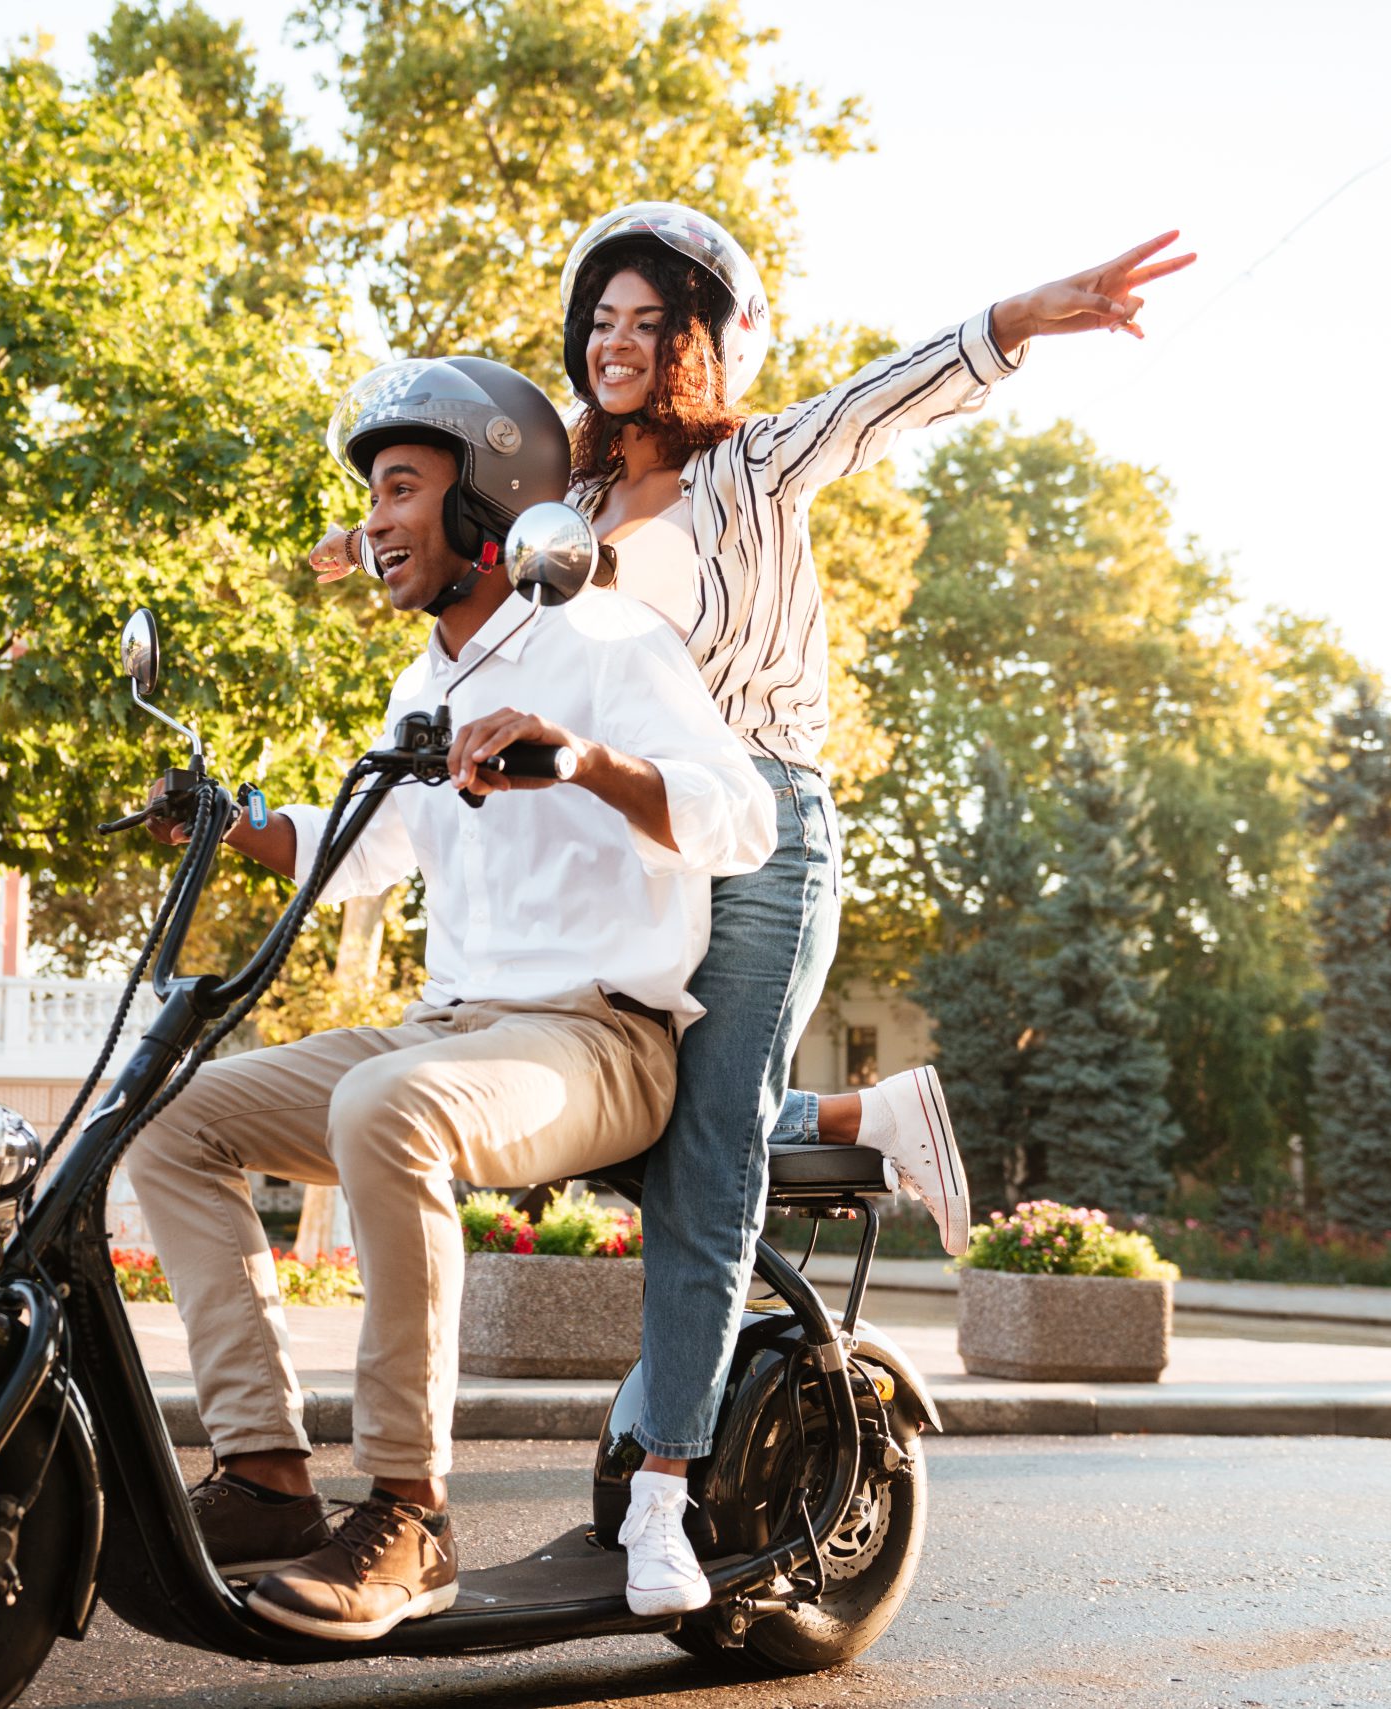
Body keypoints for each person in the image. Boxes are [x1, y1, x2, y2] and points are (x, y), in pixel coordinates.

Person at [316, 206, 1195, 1618]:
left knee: (710, 1140)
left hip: (761, 826)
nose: (615, 344)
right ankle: (856, 1121)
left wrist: (1023, 318)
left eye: (646, 320)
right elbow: (491, 591)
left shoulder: (757, 461)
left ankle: (667, 1484)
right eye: (596, 321)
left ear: (701, 337)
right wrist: (375, 543)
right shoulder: (571, 511)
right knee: (629, 1119)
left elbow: (885, 397)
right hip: (629, 827)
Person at [126, 354, 774, 1642]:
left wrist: (584, 761)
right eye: (370, 493)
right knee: (171, 1115)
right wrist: (231, 821)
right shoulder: (427, 681)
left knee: (389, 1108)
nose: (372, 520)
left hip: (601, 1037)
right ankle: (263, 1472)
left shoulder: (606, 640)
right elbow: (360, 854)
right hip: (454, 1031)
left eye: (402, 487)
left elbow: (742, 819)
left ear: (488, 501)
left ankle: (410, 1513)